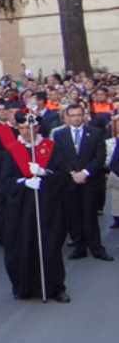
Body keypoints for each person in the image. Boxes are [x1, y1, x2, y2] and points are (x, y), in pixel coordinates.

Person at [0, 113, 68, 300]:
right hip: (21, 210)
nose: (27, 131)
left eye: (31, 127)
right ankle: (25, 287)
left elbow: (63, 176)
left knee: (50, 247)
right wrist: (23, 182)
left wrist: (44, 173)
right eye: (22, 128)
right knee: (23, 247)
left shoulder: (51, 148)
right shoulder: (12, 151)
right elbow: (4, 183)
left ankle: (56, 288)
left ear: (37, 128)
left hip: (48, 207)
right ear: (18, 129)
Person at [51, 102, 111, 260]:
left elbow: (100, 157)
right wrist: (72, 173)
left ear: (84, 116)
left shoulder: (96, 133)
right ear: (67, 117)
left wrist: (85, 173)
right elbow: (58, 158)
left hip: (90, 181)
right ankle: (80, 247)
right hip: (69, 181)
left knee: (90, 215)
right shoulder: (59, 135)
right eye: (73, 115)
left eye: (79, 115)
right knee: (73, 215)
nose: (77, 118)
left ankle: (97, 248)